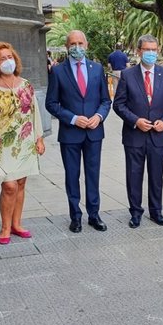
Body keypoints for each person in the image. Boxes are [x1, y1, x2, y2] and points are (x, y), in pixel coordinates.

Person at [0, 42, 46, 244]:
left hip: (25, 143)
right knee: (9, 186)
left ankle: (16, 224)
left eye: (9, 57)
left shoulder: (26, 85)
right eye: (2, 58)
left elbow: (34, 113)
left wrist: (39, 139)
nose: (7, 61)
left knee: (21, 183)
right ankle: (5, 227)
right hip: (0, 146)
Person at [45, 30, 111, 233]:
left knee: (93, 175)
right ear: (67, 47)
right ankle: (75, 216)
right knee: (72, 176)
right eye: (73, 43)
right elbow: (51, 103)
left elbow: (105, 101)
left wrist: (98, 117)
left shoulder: (97, 69)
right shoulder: (57, 71)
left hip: (94, 133)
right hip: (70, 134)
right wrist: (73, 119)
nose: (77, 47)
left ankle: (94, 214)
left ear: (87, 45)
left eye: (80, 43)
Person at [113, 34, 163, 228]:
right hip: (135, 135)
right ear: (138, 51)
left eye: (154, 50)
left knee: (156, 175)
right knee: (134, 175)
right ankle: (135, 212)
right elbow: (119, 105)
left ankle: (156, 211)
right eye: (147, 50)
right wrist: (135, 121)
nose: (151, 53)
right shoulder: (127, 75)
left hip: (158, 136)